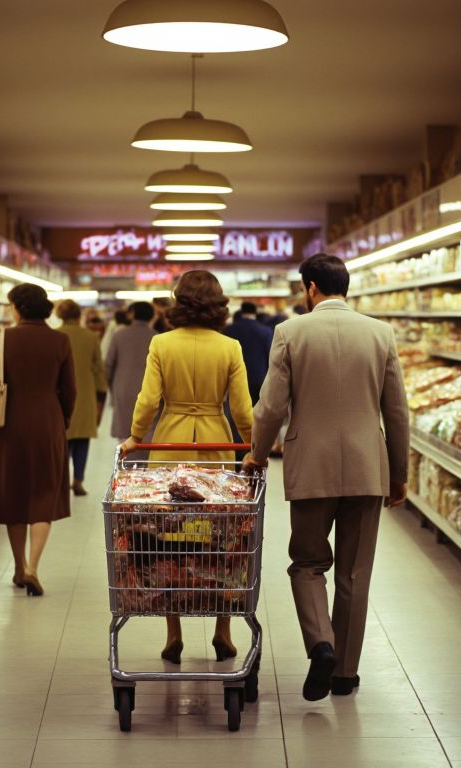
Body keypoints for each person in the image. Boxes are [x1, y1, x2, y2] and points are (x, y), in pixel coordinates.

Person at [243, 253, 410, 701]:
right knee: (355, 573)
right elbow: (396, 411)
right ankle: (345, 674)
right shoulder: (380, 333)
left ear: (311, 288)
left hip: (310, 465)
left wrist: (257, 454)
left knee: (308, 563)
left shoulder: (290, 333)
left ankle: (321, 642)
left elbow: (271, 406)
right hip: (368, 467)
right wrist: (399, 474)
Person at [120, 271, 254, 665]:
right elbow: (243, 407)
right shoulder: (230, 347)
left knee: (168, 535)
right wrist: (252, 446)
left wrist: (135, 437)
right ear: (218, 304)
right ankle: (223, 630)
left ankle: (173, 632)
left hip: (170, 442)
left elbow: (148, 399)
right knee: (221, 536)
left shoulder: (162, 343)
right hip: (216, 441)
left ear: (177, 301)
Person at [0, 284, 77, 597]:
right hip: (48, 422)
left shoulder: (3, 337)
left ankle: (19, 567)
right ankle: (34, 566)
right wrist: (63, 420)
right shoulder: (61, 340)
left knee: (15, 494)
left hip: (12, 424)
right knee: (43, 493)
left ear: (18, 308)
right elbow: (70, 390)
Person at [55, 300, 107, 496]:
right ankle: (78, 480)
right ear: (79, 316)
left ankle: (61, 482)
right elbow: (98, 369)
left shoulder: (55, 335)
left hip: (59, 394)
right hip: (85, 394)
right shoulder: (91, 337)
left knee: (63, 440)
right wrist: (101, 395)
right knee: (82, 440)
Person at [105, 301, 157, 442]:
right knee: (148, 430)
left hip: (123, 387)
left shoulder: (119, 336)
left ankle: (126, 462)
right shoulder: (158, 338)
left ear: (132, 314)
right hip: (151, 390)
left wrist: (111, 387)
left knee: (124, 432)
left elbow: (109, 365)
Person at [223, 301, 273, 405]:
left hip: (234, 379)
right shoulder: (266, 331)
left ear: (241, 312)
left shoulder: (229, 330)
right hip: (259, 378)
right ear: (255, 312)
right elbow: (270, 357)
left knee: (235, 411)